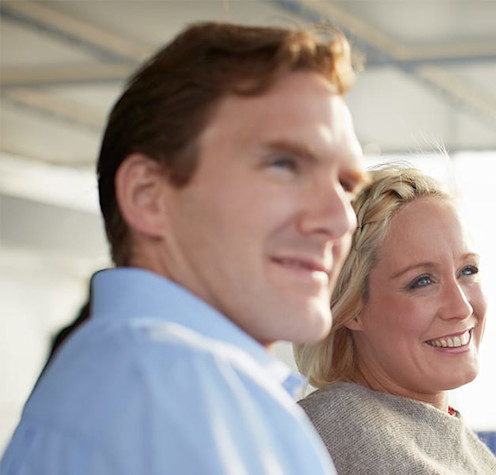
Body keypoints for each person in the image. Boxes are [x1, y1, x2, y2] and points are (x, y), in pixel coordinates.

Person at [1, 22, 367, 474]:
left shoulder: (114, 375)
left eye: (347, 185)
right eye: (283, 164)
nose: (340, 218)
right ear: (147, 196)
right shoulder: (181, 382)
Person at [294, 164, 496, 474]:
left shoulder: (460, 445)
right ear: (352, 305)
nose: (461, 308)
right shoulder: (336, 429)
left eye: (467, 271)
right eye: (422, 281)